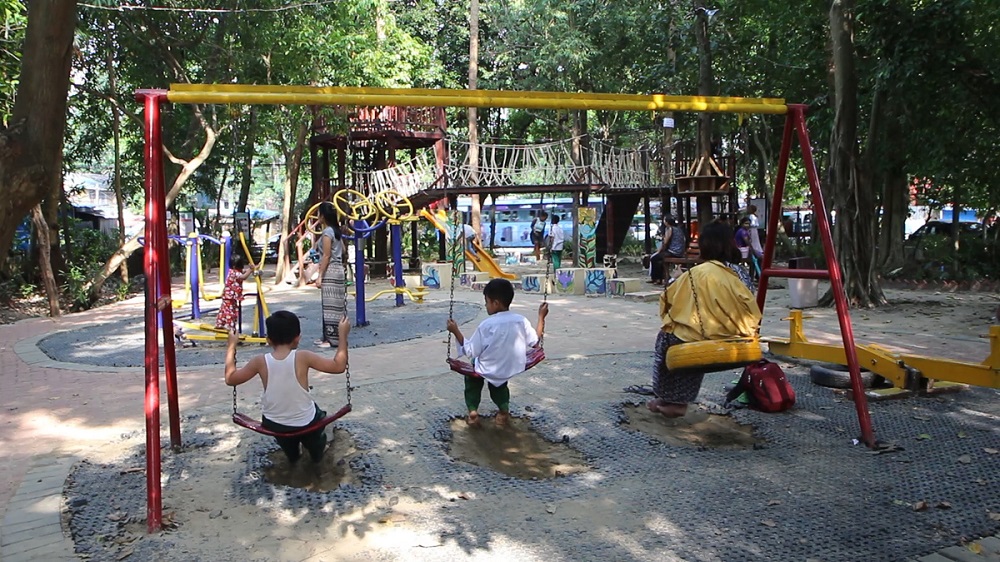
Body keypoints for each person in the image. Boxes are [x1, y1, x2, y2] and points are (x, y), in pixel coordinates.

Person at [647, 221, 761, 418]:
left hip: (707, 335)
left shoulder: (696, 274)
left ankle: (672, 400)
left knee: (672, 335)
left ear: (706, 245)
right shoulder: (740, 272)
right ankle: (671, 399)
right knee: (693, 330)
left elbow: (668, 301)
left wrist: (676, 278)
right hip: (739, 335)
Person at [225, 311, 351, 464]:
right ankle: (317, 454)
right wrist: (342, 335)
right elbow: (338, 367)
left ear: (268, 340)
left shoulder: (259, 361)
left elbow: (230, 379)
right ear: (297, 338)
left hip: (274, 423)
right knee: (317, 421)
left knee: (286, 437)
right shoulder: (303, 357)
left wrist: (231, 346)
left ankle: (293, 456)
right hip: (307, 422)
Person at [446, 279, 549, 427]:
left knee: (473, 377)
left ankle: (473, 412)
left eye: (486, 301)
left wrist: (455, 331)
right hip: (511, 366)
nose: (486, 305)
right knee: (499, 383)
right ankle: (503, 411)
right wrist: (541, 317)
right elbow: (535, 342)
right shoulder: (521, 320)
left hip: (488, 368)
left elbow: (470, 351)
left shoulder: (486, 325)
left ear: (495, 303)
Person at [316, 202, 347, 348]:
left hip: (331, 271)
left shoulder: (327, 233)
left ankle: (332, 340)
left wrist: (320, 275)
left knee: (330, 307)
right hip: (339, 269)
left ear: (323, 215)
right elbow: (344, 250)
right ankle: (328, 337)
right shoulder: (336, 231)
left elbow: (326, 256)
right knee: (336, 305)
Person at [215, 253, 253, 331]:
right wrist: (250, 270)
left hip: (229, 296)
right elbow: (243, 277)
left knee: (224, 309)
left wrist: (252, 268)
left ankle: (220, 323)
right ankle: (229, 325)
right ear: (235, 266)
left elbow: (243, 271)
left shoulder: (234, 271)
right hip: (230, 296)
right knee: (230, 311)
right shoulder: (234, 273)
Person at [649, 215, 686, 285]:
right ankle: (663, 277)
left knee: (654, 258)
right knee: (660, 259)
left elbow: (665, 242)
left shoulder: (669, 229)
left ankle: (656, 279)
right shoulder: (678, 229)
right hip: (680, 252)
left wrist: (658, 251)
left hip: (673, 252)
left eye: (664, 220)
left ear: (667, 222)